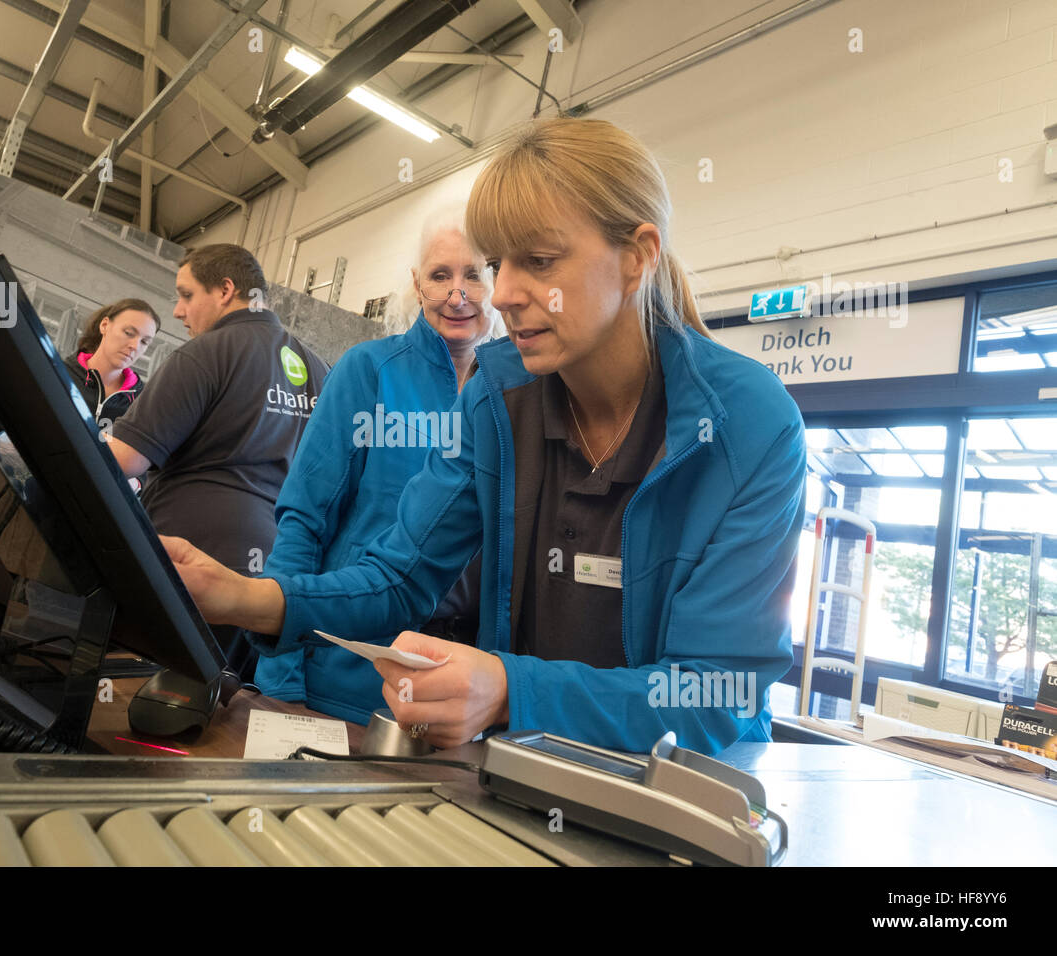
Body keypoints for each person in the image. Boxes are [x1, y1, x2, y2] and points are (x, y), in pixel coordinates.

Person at [157, 118, 806, 756]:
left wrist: (508, 689)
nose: (504, 294)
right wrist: (243, 595)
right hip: (527, 773)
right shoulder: (500, 393)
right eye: (501, 263)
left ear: (636, 257)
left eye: (540, 261)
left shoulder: (749, 424)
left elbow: (715, 694)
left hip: (684, 800)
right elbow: (397, 578)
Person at [254, 211, 501, 723]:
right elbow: (304, 520)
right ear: (417, 283)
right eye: (440, 275)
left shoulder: (512, 396)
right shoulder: (368, 371)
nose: (458, 294)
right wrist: (282, 682)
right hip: (346, 682)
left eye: (474, 274)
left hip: (462, 699)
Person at [106, 244, 328, 679]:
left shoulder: (206, 353)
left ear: (226, 290)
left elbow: (123, 461)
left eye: (186, 295)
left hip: (189, 571)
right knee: (220, 710)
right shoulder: (319, 369)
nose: (177, 311)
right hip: (266, 584)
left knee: (142, 703)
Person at [65, 298, 159, 428]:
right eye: (129, 333)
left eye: (144, 342)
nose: (135, 346)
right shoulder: (60, 374)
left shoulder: (143, 403)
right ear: (104, 325)